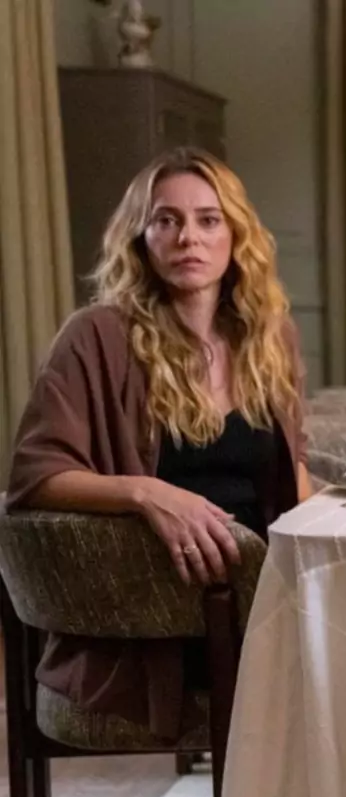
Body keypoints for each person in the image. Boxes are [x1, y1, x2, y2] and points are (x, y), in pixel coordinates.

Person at [6, 146, 313, 739]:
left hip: (267, 598)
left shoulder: (270, 336)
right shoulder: (96, 336)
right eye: (166, 220)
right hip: (158, 622)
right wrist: (148, 494)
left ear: (235, 235)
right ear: (140, 238)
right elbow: (34, 477)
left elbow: (289, 467)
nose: (188, 238)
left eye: (208, 220)